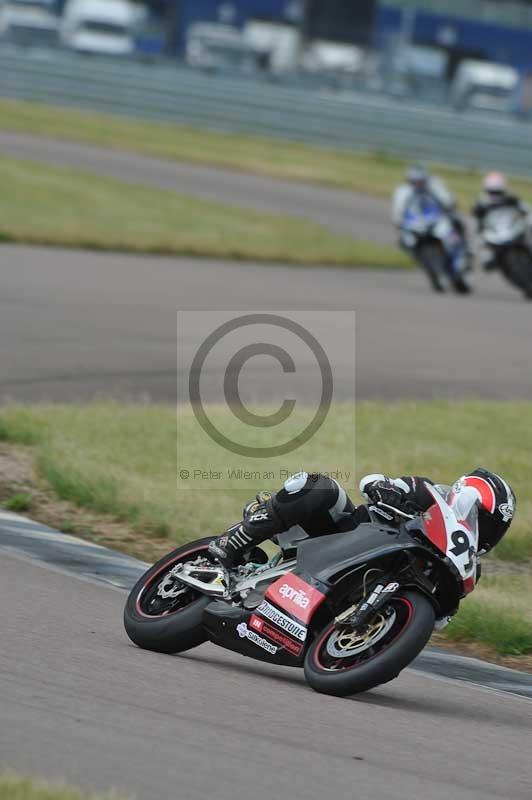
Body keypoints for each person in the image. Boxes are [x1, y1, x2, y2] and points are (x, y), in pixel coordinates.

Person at [208, 469, 515, 569]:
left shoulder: (461, 566)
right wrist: (386, 490)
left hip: (361, 578)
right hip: (339, 535)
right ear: (466, 498)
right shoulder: (426, 492)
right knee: (318, 485)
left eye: (492, 528)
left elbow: (437, 623)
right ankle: (235, 540)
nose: (484, 530)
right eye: (483, 519)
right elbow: (370, 481)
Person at [472, 172, 530, 270]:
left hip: (513, 230)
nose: (495, 195)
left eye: (497, 192)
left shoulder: (511, 199)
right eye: (492, 192)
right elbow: (477, 225)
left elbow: (526, 209)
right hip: (494, 235)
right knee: (480, 247)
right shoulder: (481, 205)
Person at [392, 165, 466, 238]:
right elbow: (398, 208)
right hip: (414, 224)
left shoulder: (434, 185)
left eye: (420, 181)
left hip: (436, 220)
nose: (418, 184)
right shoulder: (403, 191)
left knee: (455, 224)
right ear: (410, 180)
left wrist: (449, 206)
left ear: (425, 179)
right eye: (415, 182)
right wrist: (398, 222)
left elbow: (447, 199)